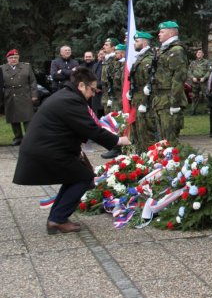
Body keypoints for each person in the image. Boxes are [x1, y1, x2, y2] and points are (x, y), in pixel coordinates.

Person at [12, 67, 131, 234]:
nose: (93, 94)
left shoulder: (67, 96)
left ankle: (56, 218)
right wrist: (118, 140)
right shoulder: (70, 100)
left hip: (47, 147)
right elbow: (89, 128)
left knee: (75, 177)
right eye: (92, 89)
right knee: (84, 177)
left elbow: (76, 127)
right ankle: (57, 219)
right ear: (81, 85)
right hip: (46, 150)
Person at [149, 21, 188, 145]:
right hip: (161, 99)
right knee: (163, 140)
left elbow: (178, 77)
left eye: (162, 31)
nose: (159, 34)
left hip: (169, 99)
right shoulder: (164, 50)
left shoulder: (176, 50)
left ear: (171, 32)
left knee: (170, 140)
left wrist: (174, 103)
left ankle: (175, 163)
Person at [121, 31, 157, 155]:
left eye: (137, 41)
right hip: (137, 99)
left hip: (145, 100)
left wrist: (145, 100)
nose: (134, 44)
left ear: (144, 42)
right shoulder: (139, 57)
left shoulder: (150, 58)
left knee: (146, 132)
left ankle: (150, 157)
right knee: (138, 132)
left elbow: (151, 79)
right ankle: (141, 156)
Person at [1, 49, 38, 145]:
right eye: (11, 58)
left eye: (15, 57)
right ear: (7, 59)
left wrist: (34, 95)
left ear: (18, 58)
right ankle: (18, 138)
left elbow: (33, 81)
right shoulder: (2, 68)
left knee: (27, 118)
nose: (13, 59)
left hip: (25, 95)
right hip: (10, 95)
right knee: (13, 118)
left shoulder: (26, 67)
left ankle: (29, 138)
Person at [187, 49, 211, 115]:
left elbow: (209, 71)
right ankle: (193, 111)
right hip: (195, 82)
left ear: (203, 54)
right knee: (194, 97)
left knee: (207, 96)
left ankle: (209, 110)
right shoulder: (193, 63)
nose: (198, 54)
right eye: (197, 53)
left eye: (200, 52)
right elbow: (189, 71)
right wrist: (192, 77)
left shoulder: (207, 62)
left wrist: (204, 77)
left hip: (203, 82)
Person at [100, 38, 119, 113]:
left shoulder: (115, 60)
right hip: (106, 94)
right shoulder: (107, 59)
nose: (104, 46)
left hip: (113, 95)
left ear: (113, 47)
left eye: (106, 45)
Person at [90, 50, 105, 117]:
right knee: (96, 115)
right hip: (95, 93)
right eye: (99, 54)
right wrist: (94, 87)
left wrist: (100, 87)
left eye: (102, 54)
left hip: (103, 93)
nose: (101, 56)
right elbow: (92, 77)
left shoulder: (106, 64)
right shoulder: (95, 65)